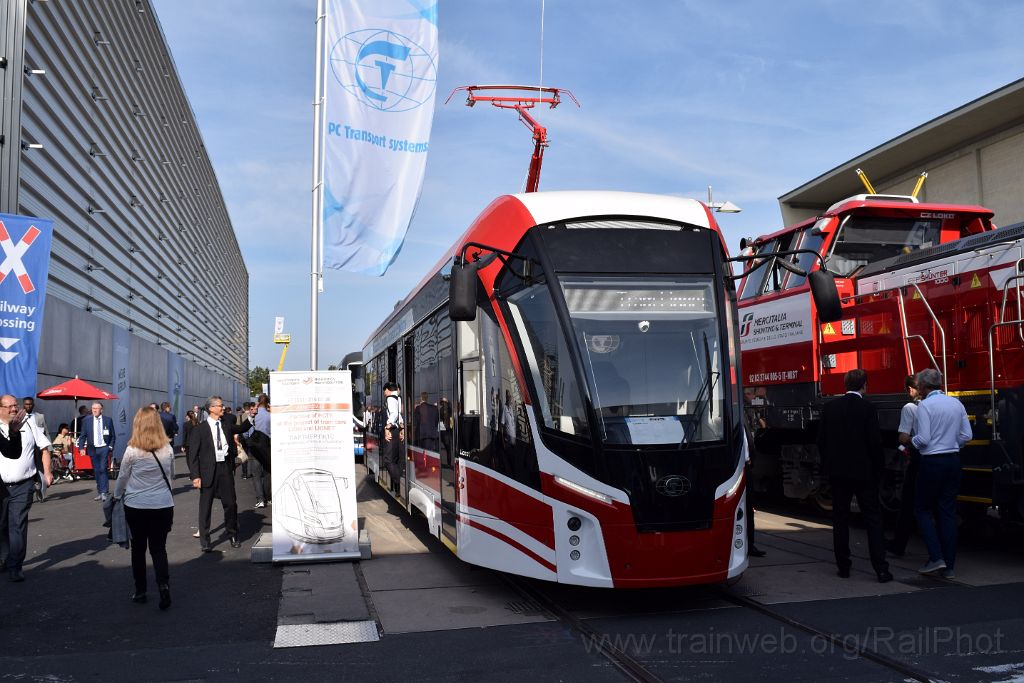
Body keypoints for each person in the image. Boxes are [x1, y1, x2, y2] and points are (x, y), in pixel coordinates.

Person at [816, 369, 892, 583]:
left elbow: (821, 441)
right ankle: (881, 569)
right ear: (864, 385)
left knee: (840, 518)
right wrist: (879, 469)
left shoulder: (830, 408)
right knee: (873, 519)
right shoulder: (868, 409)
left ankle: (843, 566)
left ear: (845, 385)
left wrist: (828, 465)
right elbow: (875, 443)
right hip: (864, 472)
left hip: (838, 472)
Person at [911, 368, 972, 579]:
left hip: (932, 462)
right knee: (947, 511)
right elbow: (967, 434)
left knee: (922, 509)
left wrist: (913, 442)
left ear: (925, 386)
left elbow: (924, 438)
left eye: (918, 384)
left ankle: (936, 557)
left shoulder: (925, 406)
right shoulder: (956, 403)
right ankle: (950, 566)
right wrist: (953, 444)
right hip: (953, 460)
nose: (917, 387)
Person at [113, 407, 175, 609]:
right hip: (163, 504)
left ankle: (140, 590)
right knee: (159, 549)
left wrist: (116, 495)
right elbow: (171, 476)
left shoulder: (132, 450)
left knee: (138, 550)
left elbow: (122, 477)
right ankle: (163, 586)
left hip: (136, 505)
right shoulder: (168, 449)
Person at [0, 394, 52, 582]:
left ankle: (15, 565)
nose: (14, 409)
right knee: (2, 525)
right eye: (9, 406)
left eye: (15, 405)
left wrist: (47, 472)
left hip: (23, 485)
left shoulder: (29, 424)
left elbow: (44, 448)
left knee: (17, 525)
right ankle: (4, 558)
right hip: (1, 488)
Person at [186, 396, 240, 551]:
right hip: (207, 471)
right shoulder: (200, 429)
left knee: (230, 503)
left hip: (224, 468)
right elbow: (193, 455)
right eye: (220, 406)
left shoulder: (225, 425)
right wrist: (195, 476)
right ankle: (205, 540)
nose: (223, 408)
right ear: (211, 408)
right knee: (206, 506)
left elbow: (240, 429)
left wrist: (251, 417)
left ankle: (233, 534)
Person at [887, 375, 920, 557]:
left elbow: (903, 437)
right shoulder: (945, 403)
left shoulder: (910, 407)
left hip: (918, 456)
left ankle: (899, 544)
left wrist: (905, 444)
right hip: (943, 457)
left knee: (907, 503)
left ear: (909, 389)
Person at [78, 402, 116, 501]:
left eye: (96, 408)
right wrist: (81, 448)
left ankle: (104, 492)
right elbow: (82, 436)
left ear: (101, 410)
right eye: (93, 408)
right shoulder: (87, 421)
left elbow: (113, 435)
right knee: (97, 470)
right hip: (92, 448)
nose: (94, 410)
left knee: (103, 469)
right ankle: (100, 492)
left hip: (104, 447)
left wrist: (110, 447)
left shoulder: (108, 420)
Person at [383, 382, 405, 495]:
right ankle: (397, 488)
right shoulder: (398, 398)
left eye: (384, 391)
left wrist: (388, 426)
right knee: (397, 459)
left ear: (387, 390)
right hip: (398, 430)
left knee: (387, 460)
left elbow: (394, 414)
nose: (384, 394)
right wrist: (402, 427)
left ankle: (397, 479)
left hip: (393, 430)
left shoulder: (390, 398)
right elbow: (400, 415)